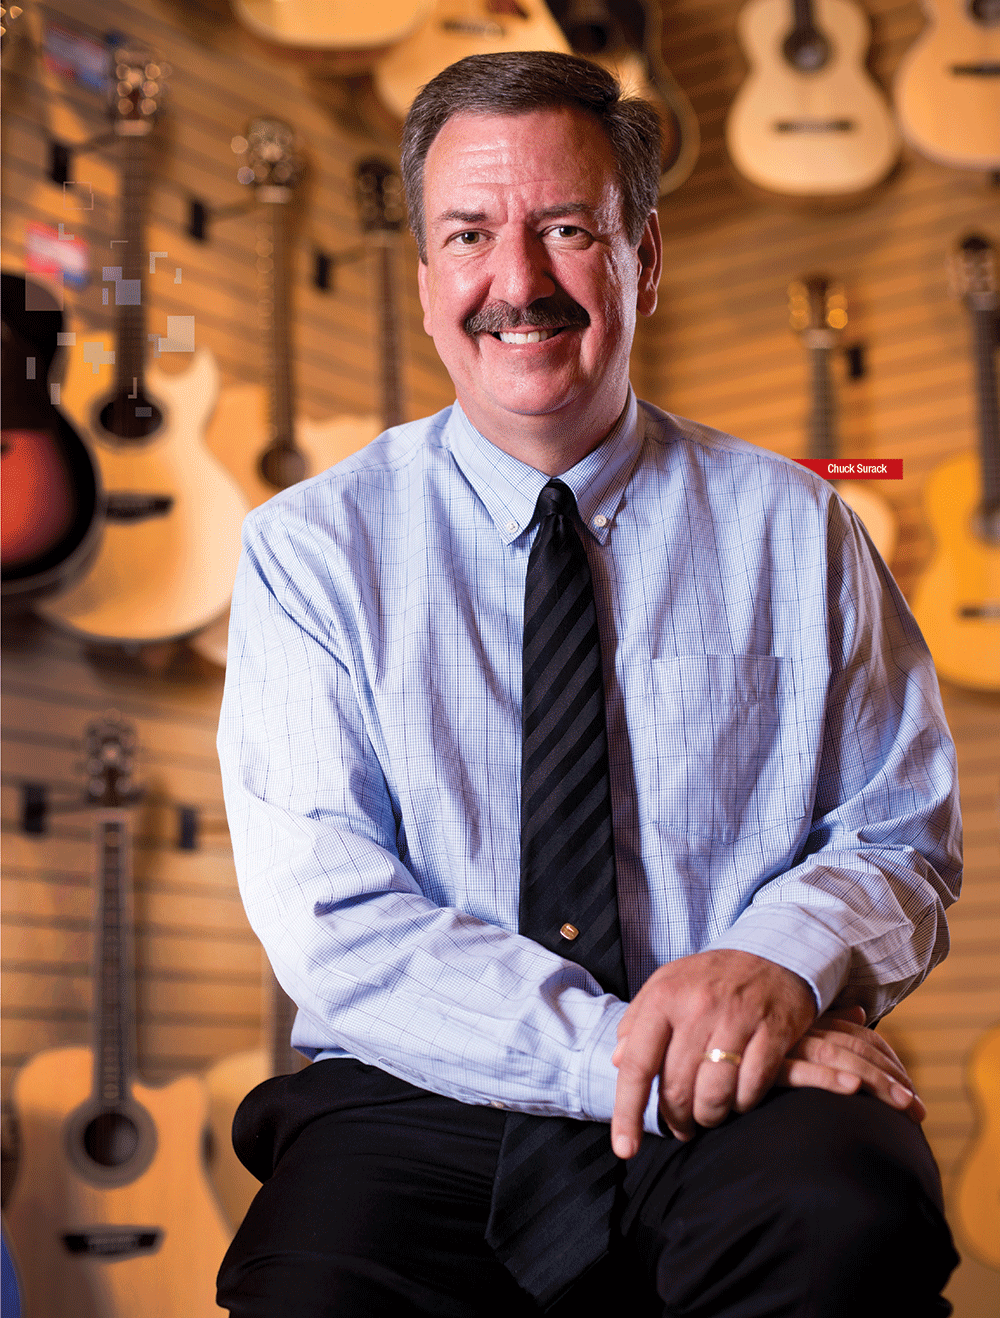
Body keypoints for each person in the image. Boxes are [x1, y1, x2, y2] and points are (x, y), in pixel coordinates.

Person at [216, 51, 962, 1318]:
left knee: (847, 1217)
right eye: (470, 235)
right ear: (424, 281)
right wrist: (643, 1050)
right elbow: (334, 917)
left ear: (643, 260)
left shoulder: (799, 528)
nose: (517, 282)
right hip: (424, 1083)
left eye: (567, 229)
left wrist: (776, 964)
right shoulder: (308, 550)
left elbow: (897, 834)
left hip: (743, 1096)